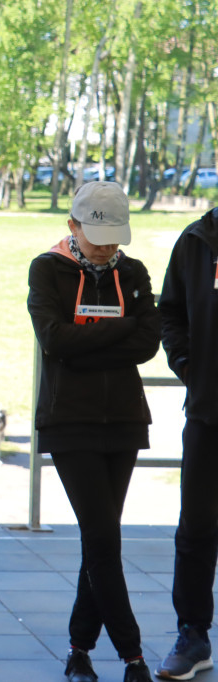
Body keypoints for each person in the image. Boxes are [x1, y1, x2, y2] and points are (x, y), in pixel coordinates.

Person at [27, 180, 159, 682]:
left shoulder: (134, 271)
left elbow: (148, 342)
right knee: (104, 539)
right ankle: (133, 656)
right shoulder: (47, 269)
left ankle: (79, 649)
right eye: (96, 237)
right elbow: (55, 341)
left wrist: (90, 341)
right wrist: (119, 330)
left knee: (98, 541)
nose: (107, 249)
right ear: (72, 227)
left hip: (123, 419)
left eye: (114, 239)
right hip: (69, 420)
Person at [156, 205, 218, 680]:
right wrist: (188, 366)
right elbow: (170, 311)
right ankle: (193, 634)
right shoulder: (198, 240)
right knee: (195, 529)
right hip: (207, 413)